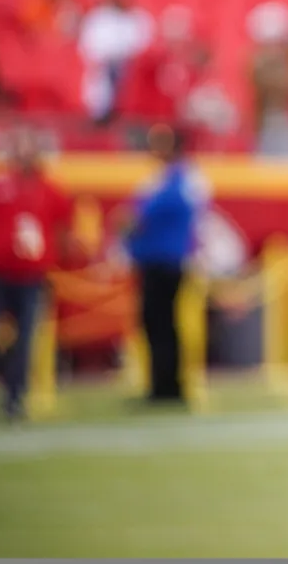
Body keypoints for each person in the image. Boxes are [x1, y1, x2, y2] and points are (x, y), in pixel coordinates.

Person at [0, 126, 74, 421]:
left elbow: (63, 231)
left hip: (32, 277)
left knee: (26, 340)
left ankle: (14, 399)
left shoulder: (52, 191)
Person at [122, 124, 208, 406]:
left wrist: (128, 224)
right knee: (158, 324)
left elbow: (140, 216)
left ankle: (167, 387)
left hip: (166, 261)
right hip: (157, 260)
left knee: (161, 324)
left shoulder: (178, 179)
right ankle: (162, 384)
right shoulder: (167, 179)